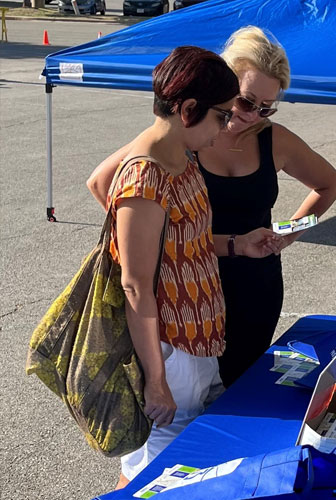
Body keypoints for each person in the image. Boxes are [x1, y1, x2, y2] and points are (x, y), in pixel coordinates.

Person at [87, 27, 336, 389]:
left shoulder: (275, 139)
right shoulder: (187, 131)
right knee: (186, 403)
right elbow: (103, 183)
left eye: (265, 107)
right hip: (189, 288)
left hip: (255, 286)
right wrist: (152, 242)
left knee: (243, 394)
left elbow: (330, 184)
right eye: (245, 101)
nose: (253, 115)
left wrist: (289, 233)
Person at [105, 46, 239, 488]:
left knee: (183, 468)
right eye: (221, 116)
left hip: (197, 345)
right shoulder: (146, 176)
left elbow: (189, 244)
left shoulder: (181, 159)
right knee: (154, 478)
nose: (223, 130)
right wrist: (156, 380)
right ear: (186, 110)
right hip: (169, 353)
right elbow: (136, 286)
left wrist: (239, 246)